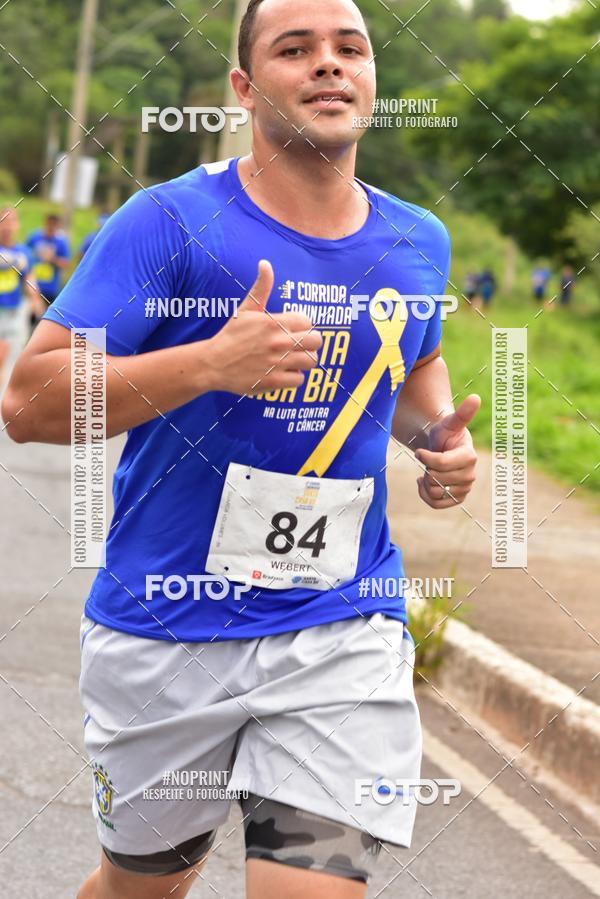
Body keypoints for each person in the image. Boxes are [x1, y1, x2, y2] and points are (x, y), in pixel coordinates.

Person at [2, 1, 480, 897]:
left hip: (341, 624)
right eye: (294, 50)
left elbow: (412, 363)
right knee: (141, 886)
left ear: (374, 76)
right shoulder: (168, 222)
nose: (329, 66)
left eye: (350, 49)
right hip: (165, 630)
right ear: (245, 87)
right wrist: (210, 363)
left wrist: (436, 440)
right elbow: (29, 402)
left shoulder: (420, 237)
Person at [0, 208, 43, 389]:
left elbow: (29, 278)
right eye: (4, 221)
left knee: (7, 358)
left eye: (12, 222)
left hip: (14, 312)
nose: (8, 226)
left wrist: (36, 299)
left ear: (17, 225)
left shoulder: (24, 253)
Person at [26, 213, 71, 329]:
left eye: (54, 226)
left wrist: (52, 259)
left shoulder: (61, 242)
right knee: (28, 320)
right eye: (49, 225)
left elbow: (66, 264)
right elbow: (25, 255)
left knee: (44, 322)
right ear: (45, 223)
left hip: (50, 289)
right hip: (33, 287)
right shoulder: (34, 237)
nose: (51, 228)